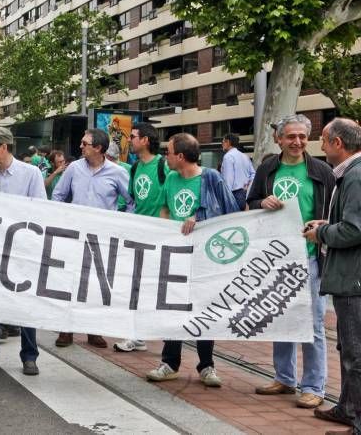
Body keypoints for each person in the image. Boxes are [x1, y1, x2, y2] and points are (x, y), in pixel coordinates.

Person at [246, 114, 334, 409]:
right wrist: (262, 203)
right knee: (280, 318)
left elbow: (334, 212)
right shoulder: (267, 168)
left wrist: (323, 228)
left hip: (309, 258)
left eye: (302, 137)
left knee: (313, 323)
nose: (297, 142)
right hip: (276, 258)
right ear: (279, 139)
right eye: (291, 137)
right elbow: (250, 203)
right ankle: (284, 377)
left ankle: (313, 385)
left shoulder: (322, 171)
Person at [146, 133, 239, 387]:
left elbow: (231, 215)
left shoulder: (211, 178)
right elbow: (164, 207)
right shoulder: (172, 179)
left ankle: (207, 365)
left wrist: (200, 220)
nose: (165, 156)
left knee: (204, 309)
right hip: (177, 255)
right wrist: (166, 228)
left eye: (169, 152)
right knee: (173, 307)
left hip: (205, 258)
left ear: (180, 156)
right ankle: (170, 362)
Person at [304, 118, 361, 434]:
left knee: (356, 354)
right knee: (348, 348)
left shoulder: (356, 176)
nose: (321, 148)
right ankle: (347, 407)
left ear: (338, 143)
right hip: (349, 277)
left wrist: (322, 232)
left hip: (353, 279)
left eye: (323, 141)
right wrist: (325, 224)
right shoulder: (351, 174)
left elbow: (355, 229)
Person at [51, 130, 133, 350]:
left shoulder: (117, 173)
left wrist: (122, 223)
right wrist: (64, 218)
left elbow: (131, 201)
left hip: (102, 239)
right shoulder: (74, 169)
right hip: (75, 236)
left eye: (85, 143)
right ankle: (65, 329)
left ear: (98, 148)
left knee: (97, 284)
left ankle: (93, 330)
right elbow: (58, 195)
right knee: (70, 281)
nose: (80, 146)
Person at [0, 126, 45, 376]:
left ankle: (30, 356)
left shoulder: (31, 173)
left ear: (3, 147)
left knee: (26, 303)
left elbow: (40, 210)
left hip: (23, 247)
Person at [113, 122, 169, 353]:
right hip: (140, 235)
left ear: (146, 140)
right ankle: (137, 335)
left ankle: (153, 333)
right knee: (136, 286)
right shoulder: (134, 168)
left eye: (134, 136)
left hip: (161, 236)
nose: (131, 140)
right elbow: (133, 201)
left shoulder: (163, 166)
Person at [221, 133, 255, 210]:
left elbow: (228, 181)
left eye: (223, 142)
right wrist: (248, 187)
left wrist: (225, 200)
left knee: (232, 221)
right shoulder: (245, 156)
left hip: (234, 196)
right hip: (245, 194)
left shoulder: (228, 157)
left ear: (228, 142)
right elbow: (253, 175)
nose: (222, 144)